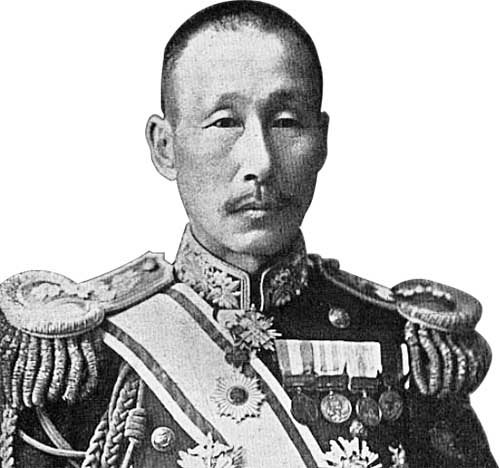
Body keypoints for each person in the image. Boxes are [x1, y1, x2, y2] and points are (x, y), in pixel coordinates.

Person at [0, 1, 497, 467]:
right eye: (224, 123)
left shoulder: (404, 344)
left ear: (322, 140)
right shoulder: (84, 357)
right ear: (164, 146)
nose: (260, 162)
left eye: (286, 122)